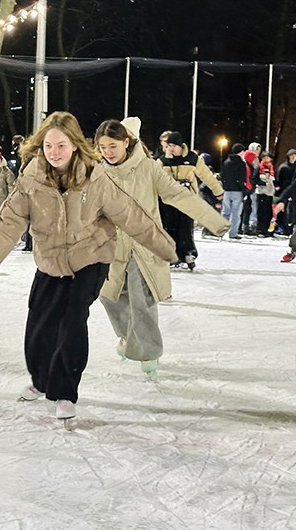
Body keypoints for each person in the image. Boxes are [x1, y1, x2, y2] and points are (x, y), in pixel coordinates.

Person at [0, 112, 177, 421]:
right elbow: (9, 221)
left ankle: (65, 392)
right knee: (40, 323)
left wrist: (163, 247)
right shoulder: (31, 178)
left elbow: (129, 215)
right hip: (50, 259)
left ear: (75, 145)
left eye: (61, 146)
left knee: (71, 319)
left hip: (91, 258)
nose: (54, 153)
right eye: (48, 146)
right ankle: (41, 379)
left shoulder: (95, 176)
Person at [95, 118, 228, 378]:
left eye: (112, 146)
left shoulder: (148, 168)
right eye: (102, 147)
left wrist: (213, 220)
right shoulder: (97, 171)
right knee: (109, 295)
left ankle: (148, 352)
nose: (107, 152)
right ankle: (128, 337)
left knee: (141, 299)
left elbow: (177, 194)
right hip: (110, 245)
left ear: (126, 142)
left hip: (143, 245)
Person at [157, 130, 224, 269]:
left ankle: (188, 253)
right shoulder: (163, 161)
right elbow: (152, 177)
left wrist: (218, 191)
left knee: (185, 226)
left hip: (187, 198)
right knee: (170, 227)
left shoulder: (193, 159)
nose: (171, 149)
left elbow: (206, 176)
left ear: (181, 146)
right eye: (169, 146)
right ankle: (172, 254)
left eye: (174, 146)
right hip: (169, 200)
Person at [220, 143, 247, 239]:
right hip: (237, 191)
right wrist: (244, 190)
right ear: (241, 152)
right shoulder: (241, 163)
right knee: (236, 213)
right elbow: (242, 178)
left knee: (225, 212)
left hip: (227, 190)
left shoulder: (226, 162)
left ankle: (220, 231)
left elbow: (222, 175)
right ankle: (233, 233)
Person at [273, 149, 296, 235]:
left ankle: (289, 228)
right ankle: (280, 227)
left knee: (292, 211)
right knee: (283, 210)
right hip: (284, 190)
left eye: (295, 156)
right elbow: (278, 179)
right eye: (291, 156)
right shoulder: (283, 167)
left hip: (294, 191)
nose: (293, 157)